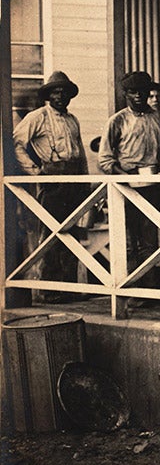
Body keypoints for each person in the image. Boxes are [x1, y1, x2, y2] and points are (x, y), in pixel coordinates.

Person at [12, 71, 89, 304]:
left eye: (64, 91)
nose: (60, 95)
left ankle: (68, 288)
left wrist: (86, 182)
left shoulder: (72, 120)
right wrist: (35, 171)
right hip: (53, 182)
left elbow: (80, 153)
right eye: (56, 91)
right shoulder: (39, 117)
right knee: (52, 235)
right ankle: (49, 289)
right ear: (48, 94)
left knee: (72, 235)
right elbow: (16, 143)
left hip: (74, 181)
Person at [98, 71, 160, 310]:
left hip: (151, 185)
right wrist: (124, 178)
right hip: (125, 186)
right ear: (125, 93)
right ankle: (129, 289)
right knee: (128, 239)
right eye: (133, 91)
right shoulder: (117, 121)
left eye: (143, 91)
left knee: (149, 238)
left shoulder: (157, 118)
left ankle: (148, 289)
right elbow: (105, 159)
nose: (138, 95)